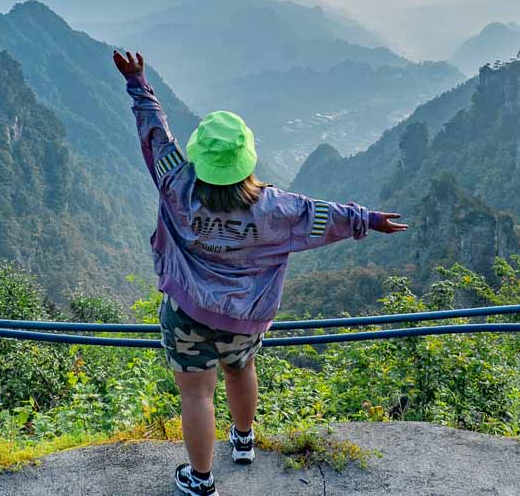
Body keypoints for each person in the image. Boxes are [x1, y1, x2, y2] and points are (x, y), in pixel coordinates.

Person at [114, 50, 407, 496]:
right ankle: (245, 440)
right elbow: (324, 215)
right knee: (241, 368)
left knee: (196, 395)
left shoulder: (176, 184)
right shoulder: (275, 209)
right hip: (245, 319)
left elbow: (156, 137)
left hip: (188, 315)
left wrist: (138, 83)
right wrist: (369, 219)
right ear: (246, 158)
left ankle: (201, 479)